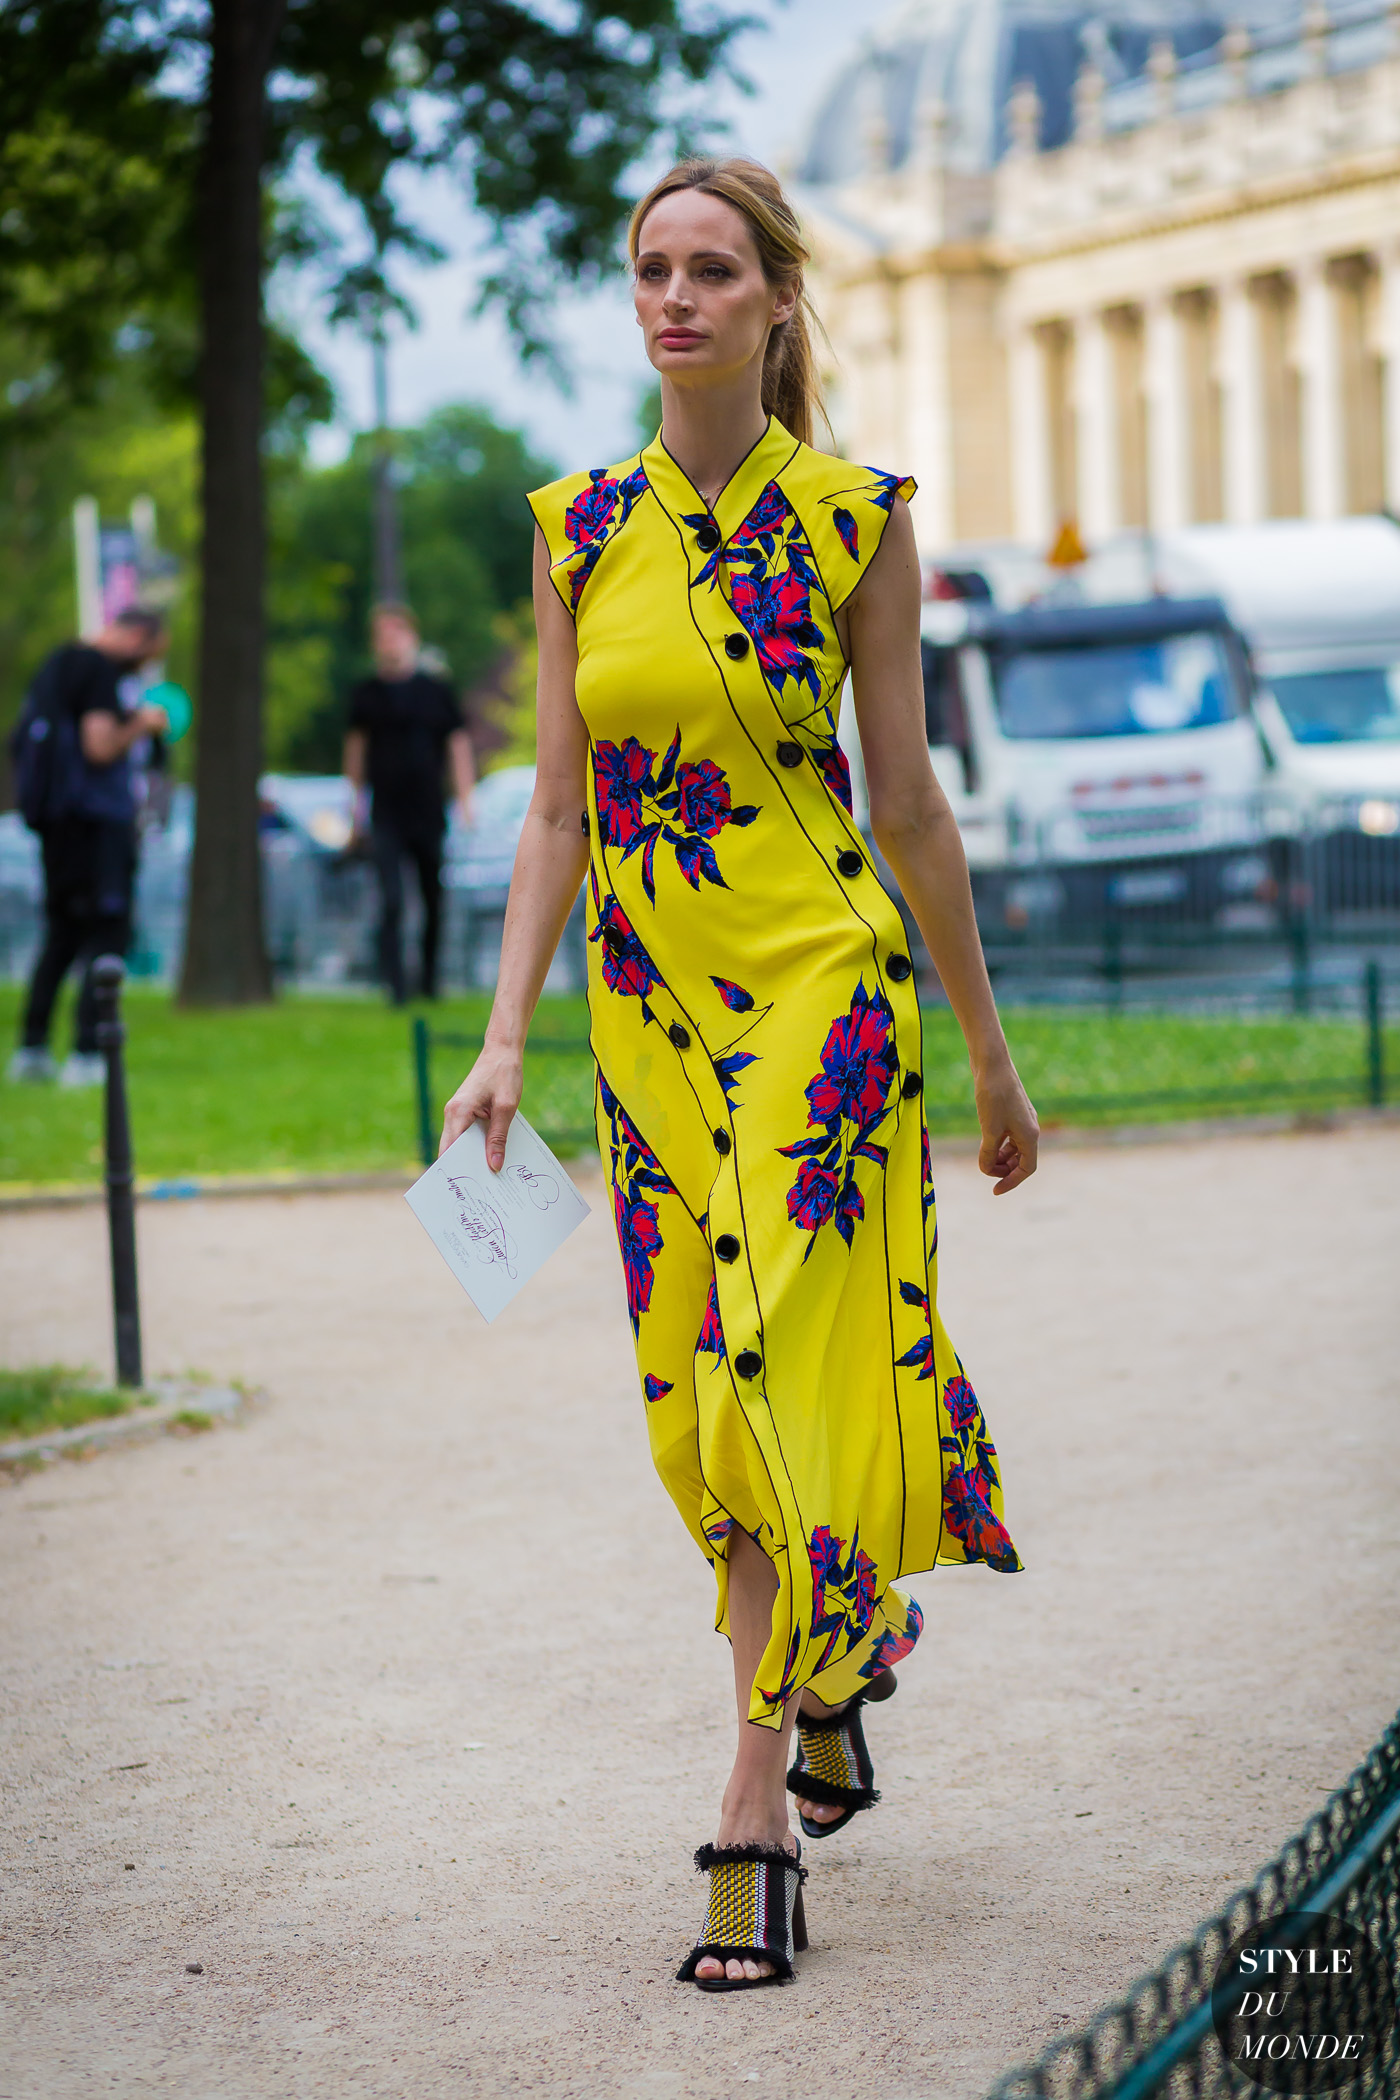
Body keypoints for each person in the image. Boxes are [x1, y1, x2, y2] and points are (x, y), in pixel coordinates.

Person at [439, 159, 1040, 1991]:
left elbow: (912, 805)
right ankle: (840, 1650)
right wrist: (501, 1036)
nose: (677, 297)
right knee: (695, 1408)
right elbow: (557, 803)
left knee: (772, 1361)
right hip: (651, 1029)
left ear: (782, 302)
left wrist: (994, 1057)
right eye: (653, 270)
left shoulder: (858, 520)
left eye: (714, 270)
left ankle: (753, 1802)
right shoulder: (575, 528)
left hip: (829, 1009)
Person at [10, 607, 169, 1086]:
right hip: (96, 826)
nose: (143, 666)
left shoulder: (56, 665)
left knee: (61, 933)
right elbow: (99, 746)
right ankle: (87, 1052)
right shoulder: (98, 670)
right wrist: (140, 725)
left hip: (57, 824)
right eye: (149, 655)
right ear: (138, 636)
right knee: (107, 931)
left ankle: (32, 1048)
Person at [344, 604, 475, 1004]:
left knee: (432, 895)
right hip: (386, 811)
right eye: (382, 635)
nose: (390, 643)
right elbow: (356, 749)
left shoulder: (435, 690)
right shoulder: (367, 694)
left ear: (411, 637)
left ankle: (430, 982)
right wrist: (354, 801)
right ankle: (395, 986)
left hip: (428, 809)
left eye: (396, 633)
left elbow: (457, 743)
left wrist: (466, 795)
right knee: (391, 898)